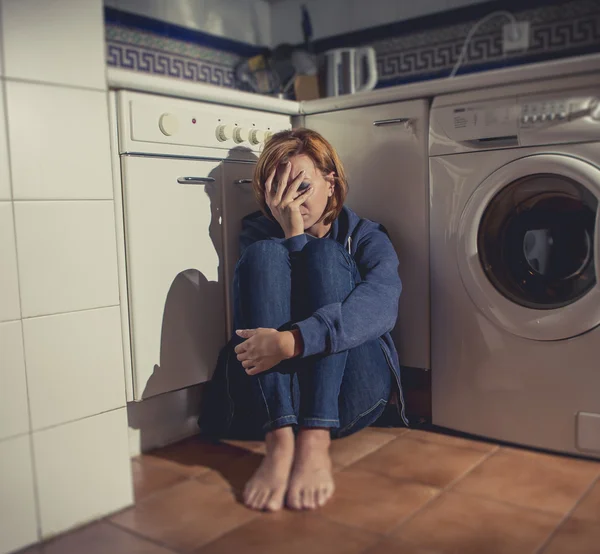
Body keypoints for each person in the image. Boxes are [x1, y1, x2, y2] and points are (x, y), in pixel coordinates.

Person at [199, 128, 407, 512]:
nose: (290, 200)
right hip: (275, 399)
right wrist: (290, 235)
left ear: (331, 182)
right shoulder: (256, 233)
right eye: (278, 186)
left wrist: (292, 341)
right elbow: (257, 319)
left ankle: (315, 438)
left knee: (325, 257)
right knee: (265, 254)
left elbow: (382, 307)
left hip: (352, 391)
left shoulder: (366, 235)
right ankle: (279, 441)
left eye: (301, 185)